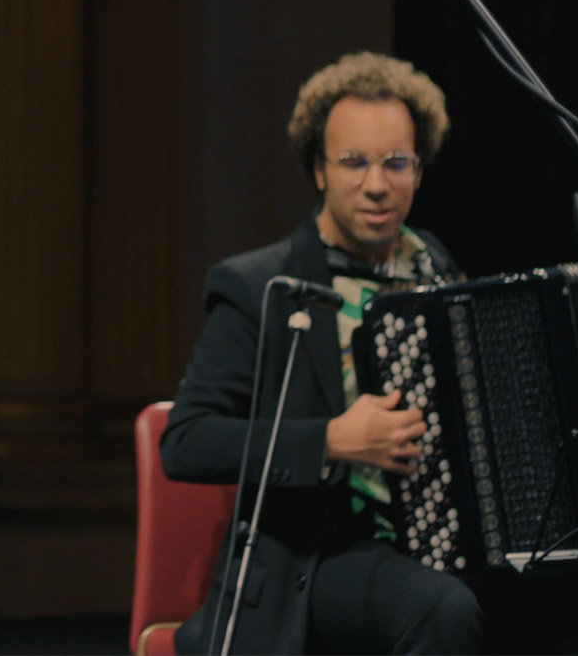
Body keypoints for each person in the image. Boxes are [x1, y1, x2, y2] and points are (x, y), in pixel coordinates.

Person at [162, 51, 481, 655]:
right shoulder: (260, 285)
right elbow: (187, 441)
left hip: (438, 542)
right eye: (354, 162)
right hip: (317, 559)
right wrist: (333, 439)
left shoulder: (438, 270)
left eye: (396, 163)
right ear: (318, 170)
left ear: (418, 170)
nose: (376, 184)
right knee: (443, 609)